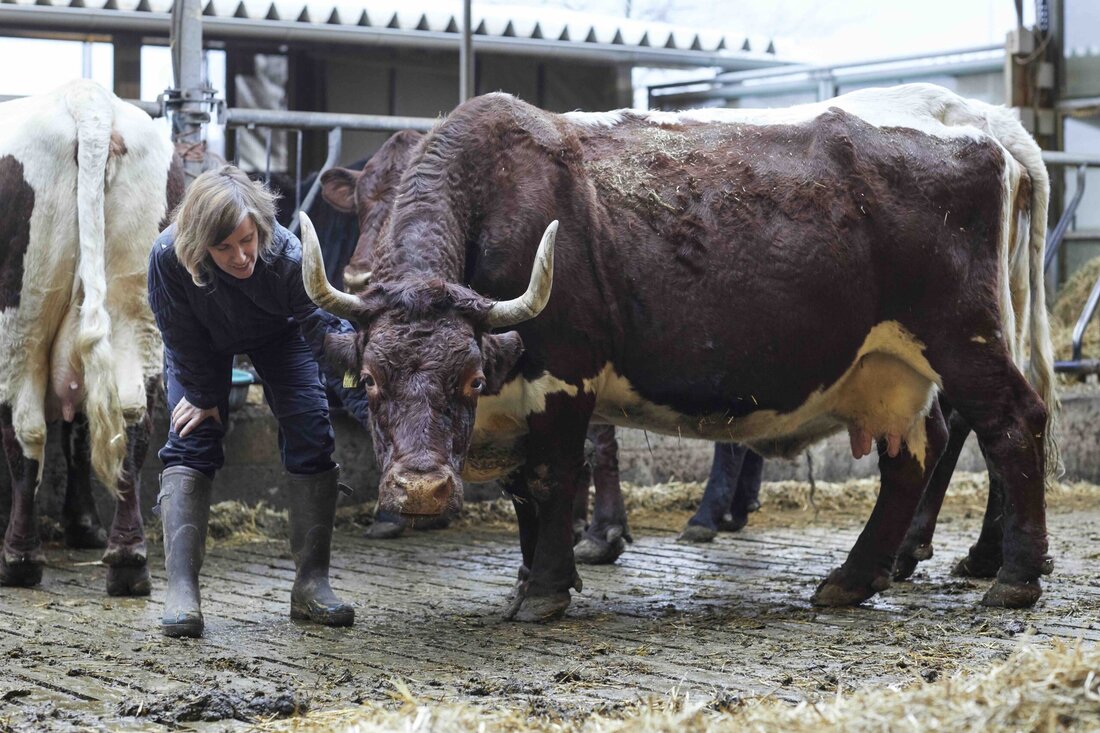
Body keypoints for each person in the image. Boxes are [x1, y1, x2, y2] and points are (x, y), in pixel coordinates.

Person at [147, 165, 370, 638]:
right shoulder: (168, 256)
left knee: (312, 429)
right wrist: (205, 396)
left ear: (260, 227)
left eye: (247, 240)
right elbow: (177, 332)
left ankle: (312, 584)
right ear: (198, 244)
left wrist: (371, 402)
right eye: (223, 247)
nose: (241, 255)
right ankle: (182, 591)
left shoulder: (288, 257)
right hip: (200, 342)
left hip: (279, 336)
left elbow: (326, 334)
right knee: (192, 433)